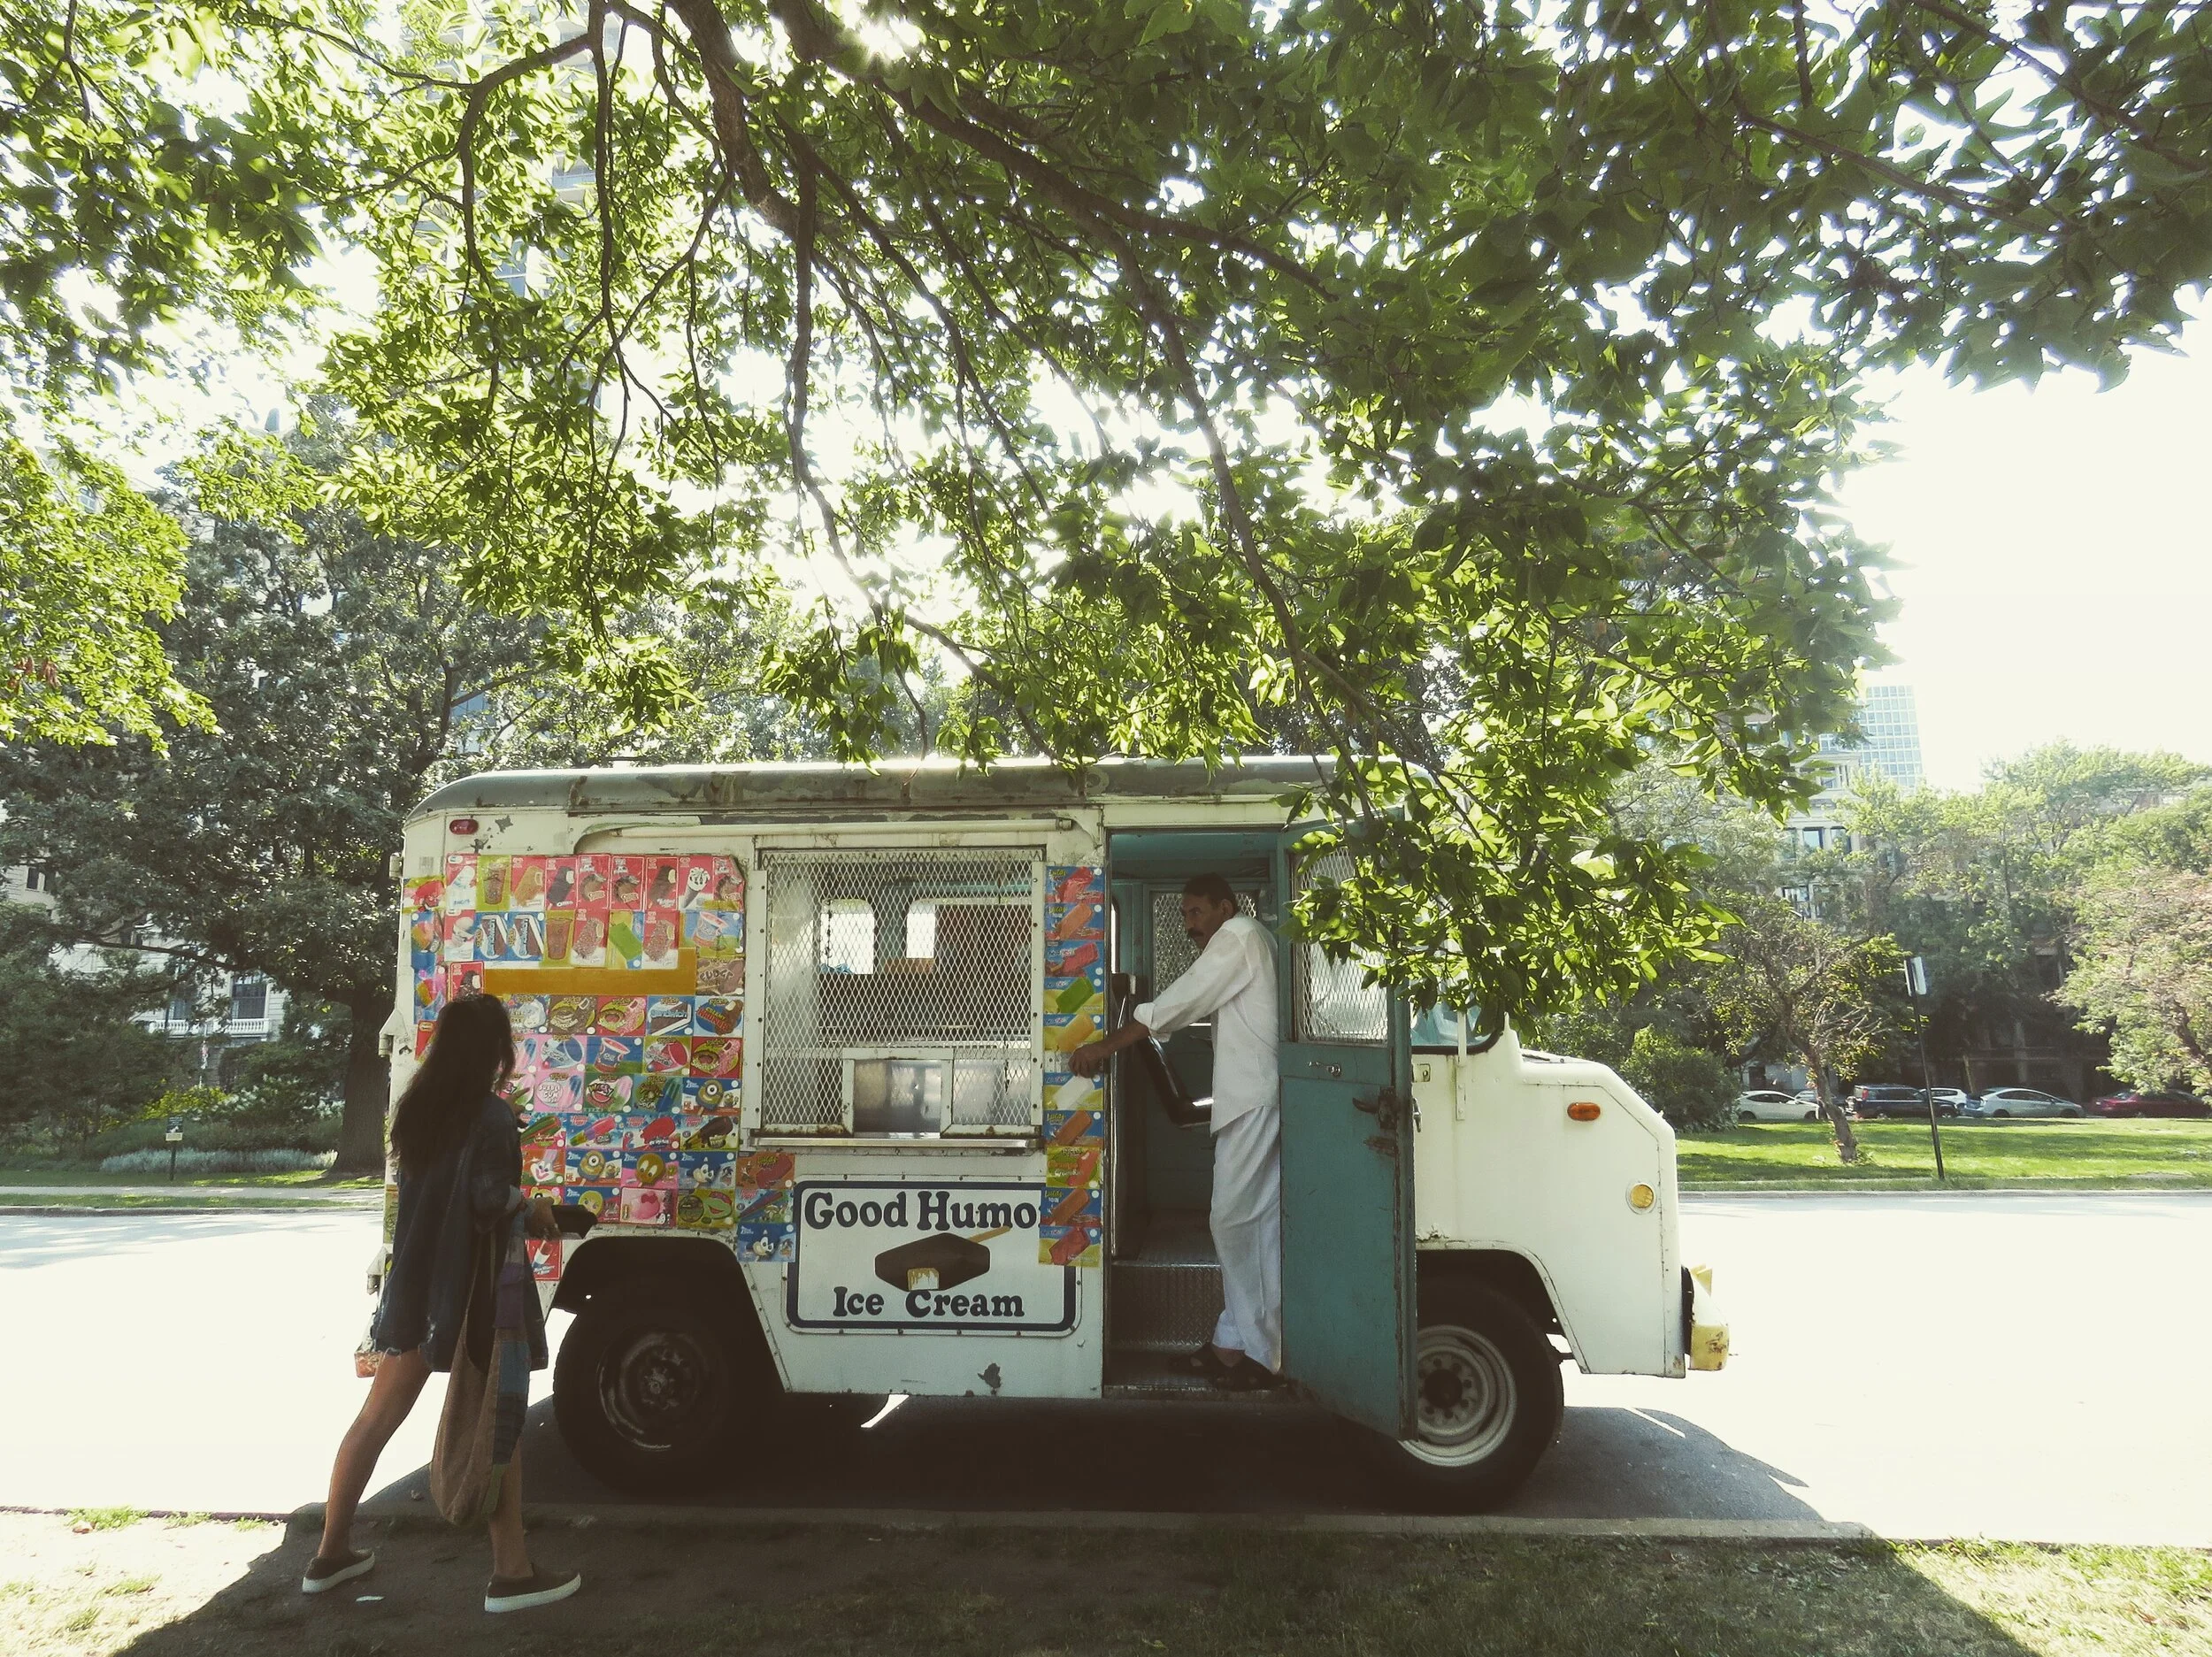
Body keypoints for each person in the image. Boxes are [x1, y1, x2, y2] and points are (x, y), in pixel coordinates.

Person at [303, 993, 580, 1614]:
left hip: (416, 1292)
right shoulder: (490, 1118)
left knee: (372, 1423)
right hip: (474, 1299)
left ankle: (329, 1554)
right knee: (497, 1425)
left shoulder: (417, 1110)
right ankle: (511, 1572)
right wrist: (529, 1206)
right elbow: (486, 1199)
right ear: (495, 1051)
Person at [1070, 873, 1281, 1390]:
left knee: (1236, 1222)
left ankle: (1263, 1355)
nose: (1190, 924)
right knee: (1246, 1223)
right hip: (1250, 1097)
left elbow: (1182, 1000)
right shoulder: (1247, 938)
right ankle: (1232, 1343)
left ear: (1225, 907)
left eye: (1196, 913)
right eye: (1184, 915)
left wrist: (1105, 1046)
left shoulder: (1240, 936)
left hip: (1256, 1097)